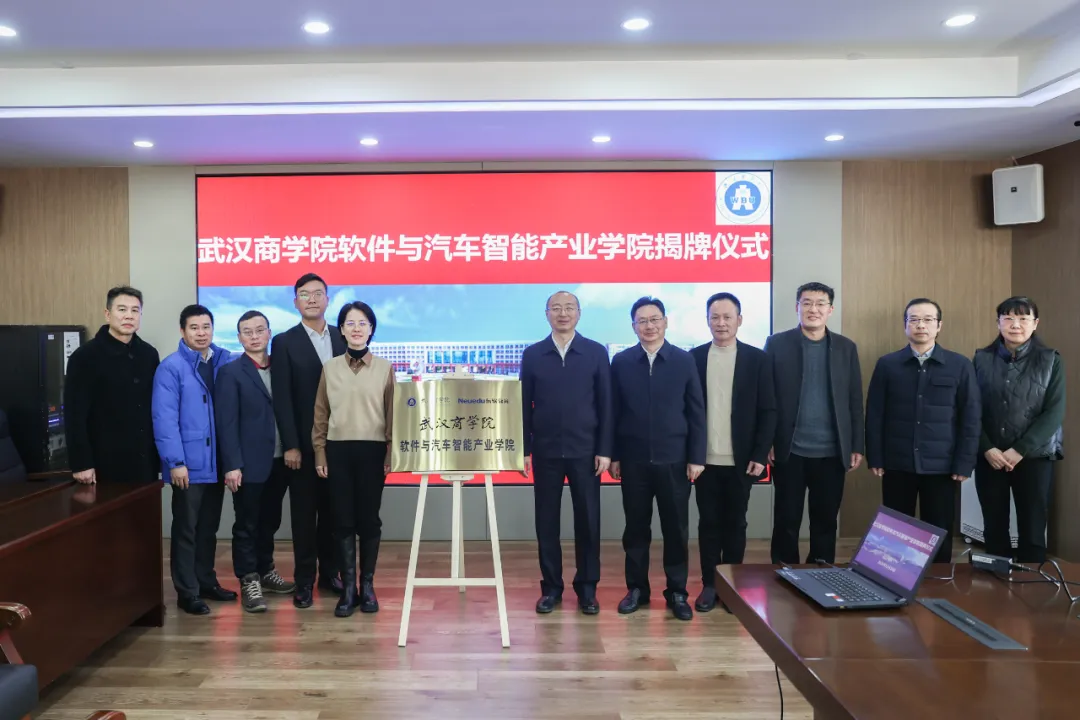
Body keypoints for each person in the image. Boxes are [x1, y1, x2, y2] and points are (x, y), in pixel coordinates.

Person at [610, 297, 705, 621]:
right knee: (636, 529)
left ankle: (677, 591)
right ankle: (637, 589)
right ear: (633, 326)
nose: (649, 326)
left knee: (676, 529)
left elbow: (696, 412)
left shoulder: (683, 360)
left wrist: (696, 456)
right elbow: (614, 412)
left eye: (654, 319)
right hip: (633, 460)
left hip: (674, 460)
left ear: (665, 322)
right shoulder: (622, 362)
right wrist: (615, 455)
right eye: (642, 321)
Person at [866, 299, 980, 563]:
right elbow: (874, 414)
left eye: (928, 319)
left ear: (939, 326)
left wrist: (964, 463)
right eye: (914, 319)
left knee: (938, 529)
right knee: (894, 529)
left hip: (942, 465)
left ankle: (938, 579)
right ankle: (890, 577)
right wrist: (876, 457)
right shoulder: (888, 364)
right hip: (897, 462)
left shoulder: (959, 365)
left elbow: (971, 418)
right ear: (905, 325)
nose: (921, 325)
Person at [520, 291, 612, 616]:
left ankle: (587, 590)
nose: (563, 313)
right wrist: (524, 449)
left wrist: (604, 449)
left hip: (586, 452)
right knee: (546, 522)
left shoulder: (595, 352)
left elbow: (607, 405)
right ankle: (551, 588)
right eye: (556, 308)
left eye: (569, 308)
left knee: (588, 522)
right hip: (545, 451)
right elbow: (523, 406)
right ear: (547, 314)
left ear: (579, 313)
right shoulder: (533, 354)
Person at [766, 282, 864, 566]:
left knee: (825, 520)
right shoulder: (777, 344)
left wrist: (856, 444)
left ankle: (821, 571)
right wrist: (767, 441)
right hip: (790, 449)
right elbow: (767, 397)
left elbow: (854, 399)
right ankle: (783, 570)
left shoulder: (846, 348)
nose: (813, 309)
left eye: (821, 303)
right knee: (786, 518)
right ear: (797, 307)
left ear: (830, 310)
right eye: (807, 303)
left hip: (832, 452)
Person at [689, 292, 775, 612]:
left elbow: (769, 410)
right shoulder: (694, 358)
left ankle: (732, 584)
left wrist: (760, 454)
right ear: (707, 320)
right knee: (709, 523)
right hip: (704, 460)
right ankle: (710, 584)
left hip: (742, 460)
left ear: (739, 320)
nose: (721, 323)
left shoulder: (757, 359)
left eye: (728, 317)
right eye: (715, 317)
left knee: (736, 523)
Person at [152, 304, 236, 616]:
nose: (201, 333)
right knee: (186, 529)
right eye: (194, 328)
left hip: (216, 462)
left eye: (206, 327)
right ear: (182, 331)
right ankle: (187, 592)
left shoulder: (223, 360)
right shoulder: (171, 368)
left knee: (208, 528)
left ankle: (206, 582)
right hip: (188, 464)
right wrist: (175, 462)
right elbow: (164, 419)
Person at [312, 301, 394, 618]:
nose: (357, 328)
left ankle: (367, 585)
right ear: (342, 330)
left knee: (369, 520)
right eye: (350, 323)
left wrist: (391, 452)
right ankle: (349, 588)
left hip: (373, 451)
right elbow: (321, 414)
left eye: (363, 323)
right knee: (342, 520)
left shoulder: (385, 368)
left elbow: (393, 415)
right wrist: (320, 451)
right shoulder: (330, 368)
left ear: (371, 329)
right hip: (338, 451)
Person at [270, 273, 346, 608]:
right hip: (302, 446)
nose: (312, 299)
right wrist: (290, 444)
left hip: (341, 444)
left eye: (318, 293)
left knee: (334, 513)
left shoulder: (343, 337)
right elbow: (282, 398)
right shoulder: (285, 342)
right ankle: (304, 581)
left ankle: (331, 574)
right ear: (295, 302)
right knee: (303, 516)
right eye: (305, 294)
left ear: (328, 299)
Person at [215, 311, 298, 613]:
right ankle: (248, 579)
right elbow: (226, 423)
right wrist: (231, 465)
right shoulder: (231, 372)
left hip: (279, 460)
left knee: (270, 521)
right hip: (247, 464)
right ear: (239, 338)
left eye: (259, 330)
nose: (254, 336)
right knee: (247, 524)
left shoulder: (280, 368)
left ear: (269, 333)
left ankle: (266, 571)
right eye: (247, 332)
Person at [973, 296, 1065, 564]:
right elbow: (970, 409)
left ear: (1035, 323)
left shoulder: (1051, 359)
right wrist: (986, 447)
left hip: (1035, 456)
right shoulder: (980, 359)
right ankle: (996, 580)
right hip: (990, 456)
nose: (1016, 324)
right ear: (998, 322)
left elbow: (1054, 412)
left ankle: (1032, 582)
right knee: (993, 524)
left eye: (1023, 318)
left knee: (1034, 527)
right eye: (1009, 318)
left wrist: (1020, 449)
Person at [64, 286, 160, 484]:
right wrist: (81, 463)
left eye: (135, 310)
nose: (129, 316)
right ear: (108, 314)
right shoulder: (85, 357)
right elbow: (74, 415)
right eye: (122, 309)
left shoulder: (149, 354)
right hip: (104, 462)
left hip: (144, 461)